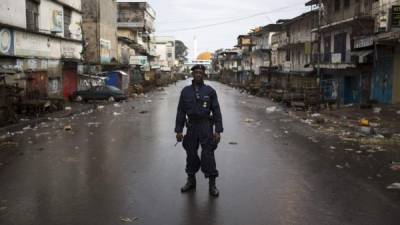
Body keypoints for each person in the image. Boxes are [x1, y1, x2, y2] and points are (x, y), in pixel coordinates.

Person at [175, 64, 223, 197]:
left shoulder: (210, 91)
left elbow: (217, 111)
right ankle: (191, 181)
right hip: (191, 127)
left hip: (206, 126)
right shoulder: (185, 91)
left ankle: (212, 184)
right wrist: (178, 130)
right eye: (195, 72)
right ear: (192, 74)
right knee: (191, 154)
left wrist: (218, 131)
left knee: (208, 154)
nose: (198, 74)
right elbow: (180, 112)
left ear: (204, 74)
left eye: (200, 72)